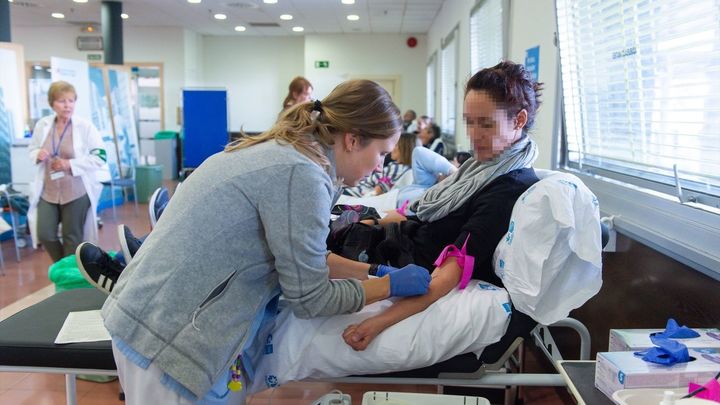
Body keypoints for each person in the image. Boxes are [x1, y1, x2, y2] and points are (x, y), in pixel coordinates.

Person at [100, 79, 431, 404]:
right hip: (168, 337)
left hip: (160, 317)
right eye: (382, 153)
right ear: (353, 139)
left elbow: (305, 257)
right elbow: (311, 297)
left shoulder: (291, 152)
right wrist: (388, 287)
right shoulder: (302, 175)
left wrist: (372, 270)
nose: (380, 166)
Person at [340, 61, 543, 351]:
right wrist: (366, 219)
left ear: (519, 120)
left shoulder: (507, 187)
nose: (474, 134)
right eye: (469, 122)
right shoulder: (476, 168)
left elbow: (448, 274)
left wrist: (376, 323)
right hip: (386, 241)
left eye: (485, 123)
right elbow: (416, 211)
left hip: (390, 262)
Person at [27, 81, 109, 262]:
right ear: (52, 103)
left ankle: (69, 274)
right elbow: (32, 149)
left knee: (72, 238)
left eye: (71, 101)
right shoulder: (43, 125)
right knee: (45, 233)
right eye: (62, 101)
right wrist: (37, 154)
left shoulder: (84, 126)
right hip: (48, 191)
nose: (67, 105)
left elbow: (100, 157)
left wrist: (69, 164)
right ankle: (62, 266)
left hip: (76, 191)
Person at [343, 132, 416, 197]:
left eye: (396, 145)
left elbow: (379, 190)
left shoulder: (397, 168)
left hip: (355, 193)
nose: (392, 148)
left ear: (405, 149)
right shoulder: (402, 168)